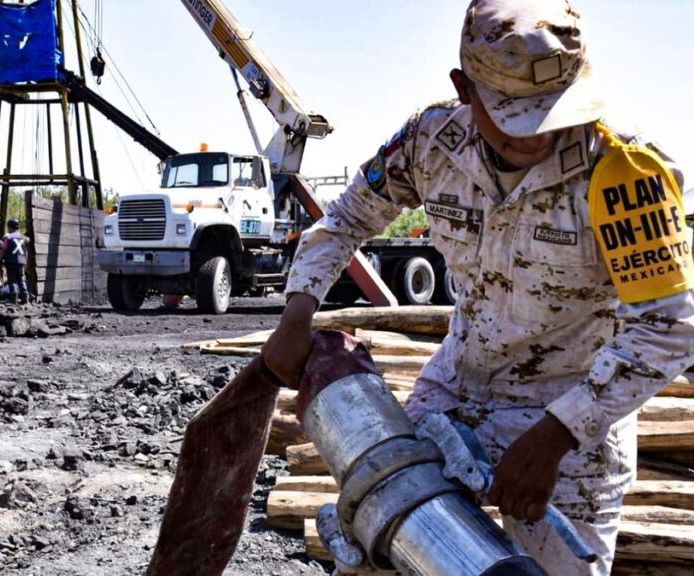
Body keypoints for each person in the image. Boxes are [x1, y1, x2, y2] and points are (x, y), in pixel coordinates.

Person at [260, 1, 694, 574]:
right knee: (386, 550)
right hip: (455, 394)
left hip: (572, 417)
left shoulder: (623, 170)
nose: (537, 134)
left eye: (554, 110)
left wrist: (556, 435)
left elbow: (668, 326)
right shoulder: (430, 142)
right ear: (464, 89)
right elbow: (345, 219)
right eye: (516, 116)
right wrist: (297, 314)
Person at [1, 219, 30, 304]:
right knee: (21, 279)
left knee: (12, 280)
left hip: (11, 261)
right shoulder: (25, 238)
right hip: (21, 261)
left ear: (10, 227)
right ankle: (25, 298)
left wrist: (0, 259)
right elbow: (26, 251)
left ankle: (13, 299)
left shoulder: (8, 237)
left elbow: (4, 250)